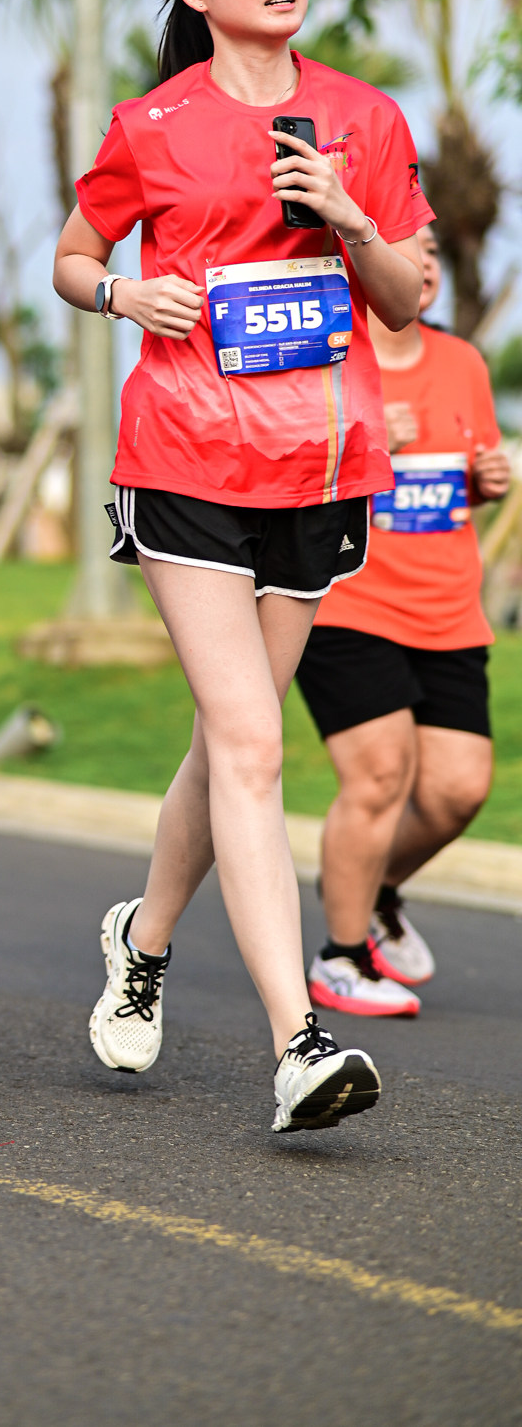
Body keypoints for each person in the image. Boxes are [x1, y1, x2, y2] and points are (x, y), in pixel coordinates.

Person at [53, 0, 432, 1133]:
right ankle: (296, 1043)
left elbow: (402, 298)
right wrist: (121, 295)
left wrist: (347, 214)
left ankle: (142, 936)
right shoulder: (151, 123)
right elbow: (71, 256)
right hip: (183, 460)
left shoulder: (362, 117)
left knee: (232, 739)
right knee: (252, 746)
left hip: (315, 466)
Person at [296, 225, 509, 1015]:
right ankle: (341, 956)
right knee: (381, 773)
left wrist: (486, 480)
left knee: (458, 790)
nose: (422, 261)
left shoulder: (464, 363)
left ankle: (372, 886)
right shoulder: (328, 355)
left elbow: (454, 484)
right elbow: (284, 473)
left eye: (432, 249)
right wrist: (367, 440)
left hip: (448, 609)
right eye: (403, 244)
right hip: (348, 600)